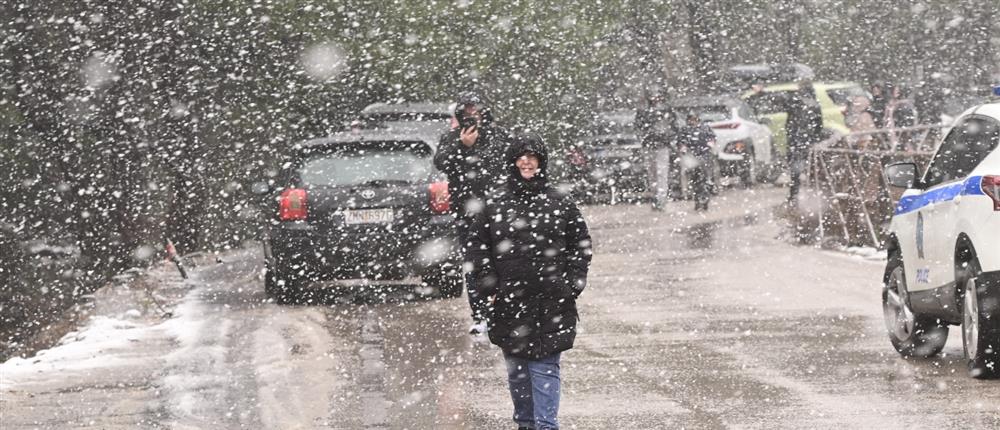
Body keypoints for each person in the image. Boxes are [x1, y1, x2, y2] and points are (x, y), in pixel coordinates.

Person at [468, 134, 593, 430]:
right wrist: (490, 287)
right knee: (518, 372)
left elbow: (581, 243)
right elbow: (477, 247)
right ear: (512, 162)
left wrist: (571, 282)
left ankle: (546, 426)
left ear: (541, 162)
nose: (527, 161)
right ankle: (526, 423)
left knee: (545, 367)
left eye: (533, 156)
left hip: (552, 300)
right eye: (522, 156)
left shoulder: (559, 201)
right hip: (510, 302)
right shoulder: (494, 204)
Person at [433, 91, 512, 335]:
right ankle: (480, 315)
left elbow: (505, 164)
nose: (471, 115)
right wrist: (462, 146)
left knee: (505, 264)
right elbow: (441, 162)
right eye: (466, 110)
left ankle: (504, 312)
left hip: (498, 211)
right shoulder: (451, 138)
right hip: (466, 214)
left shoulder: (498, 136)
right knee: (474, 266)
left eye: (475, 110)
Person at [783, 81, 824, 204]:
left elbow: (788, 123)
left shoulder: (795, 104)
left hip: (796, 140)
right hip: (807, 140)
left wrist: (791, 136)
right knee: (810, 168)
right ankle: (811, 195)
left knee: (795, 170)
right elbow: (819, 126)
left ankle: (794, 194)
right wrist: (814, 138)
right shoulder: (815, 105)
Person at [676, 112, 716, 211]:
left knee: (706, 178)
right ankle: (698, 200)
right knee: (695, 180)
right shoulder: (685, 130)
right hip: (692, 158)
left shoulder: (705, 128)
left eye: (694, 119)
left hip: (705, 156)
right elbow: (681, 142)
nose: (692, 121)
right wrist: (684, 149)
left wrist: (709, 146)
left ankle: (705, 198)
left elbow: (712, 139)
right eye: (690, 119)